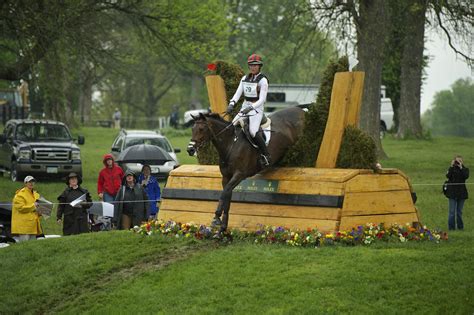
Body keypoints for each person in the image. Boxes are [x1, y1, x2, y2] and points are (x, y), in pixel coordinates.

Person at [226, 53, 271, 166]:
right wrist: (231, 104)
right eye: (251, 65)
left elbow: (262, 100)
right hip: (245, 106)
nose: (253, 67)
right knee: (232, 125)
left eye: (255, 65)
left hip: (257, 109)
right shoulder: (244, 79)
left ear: (259, 66)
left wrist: (251, 107)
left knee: (253, 131)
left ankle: (265, 155)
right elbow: (237, 94)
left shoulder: (263, 80)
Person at [11, 176, 42, 242]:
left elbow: (37, 208)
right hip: (23, 227)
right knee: (24, 247)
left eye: (33, 181)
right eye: (29, 182)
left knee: (32, 248)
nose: (31, 183)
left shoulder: (36, 195)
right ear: (25, 183)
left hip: (33, 226)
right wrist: (34, 206)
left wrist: (41, 211)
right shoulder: (20, 194)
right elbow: (21, 208)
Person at [445, 155, 469, 230]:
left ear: (462, 162)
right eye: (457, 161)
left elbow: (466, 176)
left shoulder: (465, 169)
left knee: (459, 212)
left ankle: (460, 227)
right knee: (452, 212)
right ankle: (451, 228)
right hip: (452, 193)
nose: (458, 162)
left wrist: (461, 167)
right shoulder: (452, 169)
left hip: (462, 193)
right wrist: (451, 166)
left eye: (460, 161)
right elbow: (448, 176)